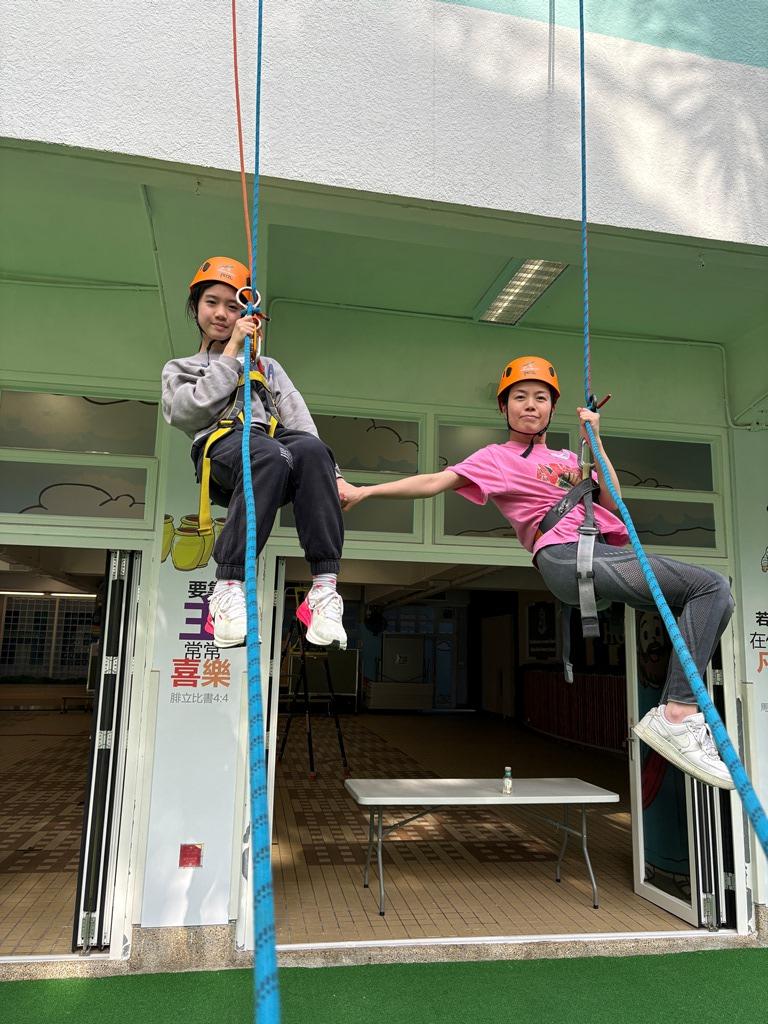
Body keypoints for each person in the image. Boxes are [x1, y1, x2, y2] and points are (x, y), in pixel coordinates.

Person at [341, 355, 735, 790]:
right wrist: (365, 491)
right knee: (709, 586)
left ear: (552, 408)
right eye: (520, 397)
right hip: (565, 556)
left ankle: (677, 712)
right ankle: (678, 714)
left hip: (595, 552)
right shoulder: (495, 458)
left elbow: (612, 503)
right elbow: (435, 482)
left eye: (540, 398)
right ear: (504, 408)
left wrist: (595, 442)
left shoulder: (569, 458)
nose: (530, 405)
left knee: (718, 595)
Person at [162, 257, 350, 649]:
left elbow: (298, 418)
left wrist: (332, 477)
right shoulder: (181, 368)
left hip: (270, 449)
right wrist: (232, 352)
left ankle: (323, 588)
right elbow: (186, 412)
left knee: (312, 450)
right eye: (212, 302)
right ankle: (228, 585)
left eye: (233, 307)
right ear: (195, 306)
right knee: (269, 453)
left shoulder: (267, 367)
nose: (221, 313)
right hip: (223, 450)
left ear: (247, 315)